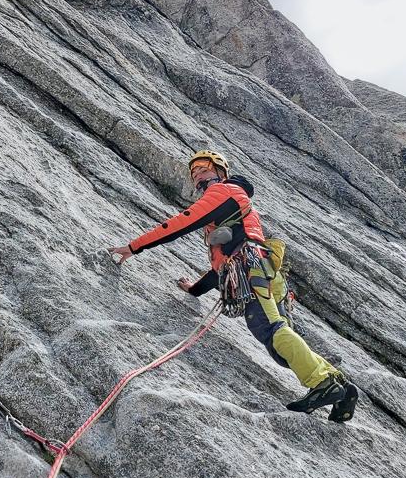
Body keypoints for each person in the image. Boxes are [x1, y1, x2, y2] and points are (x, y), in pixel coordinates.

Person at [109, 149, 357, 422]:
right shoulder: (228, 206)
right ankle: (341, 389)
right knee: (279, 342)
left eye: (204, 169)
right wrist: (195, 290)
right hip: (263, 273)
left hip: (251, 270)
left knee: (270, 330)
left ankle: (323, 384)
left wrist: (135, 247)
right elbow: (222, 265)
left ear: (220, 172)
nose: (198, 176)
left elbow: (181, 223)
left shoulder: (224, 192)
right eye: (194, 173)